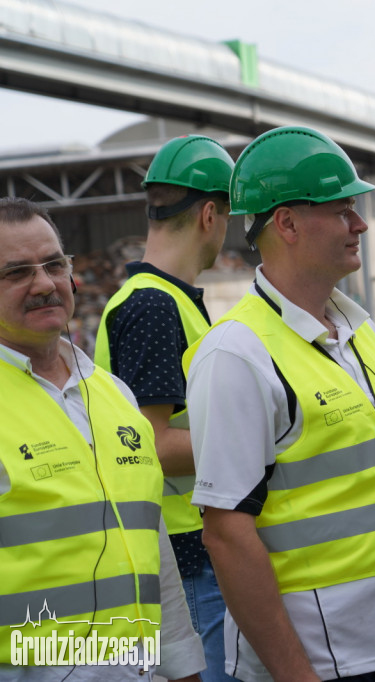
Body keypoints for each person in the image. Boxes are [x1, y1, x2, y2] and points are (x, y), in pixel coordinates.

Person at [184, 126, 375, 682]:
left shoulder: (358, 331)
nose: (360, 224)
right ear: (287, 223)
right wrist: (297, 675)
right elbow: (226, 534)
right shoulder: (237, 354)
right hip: (325, 662)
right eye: (343, 210)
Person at [0, 197, 204, 681]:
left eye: (54, 264)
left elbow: (153, 549)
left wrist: (183, 667)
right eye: (16, 272)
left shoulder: (114, 396)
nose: (45, 284)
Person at [94, 134, 235, 681]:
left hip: (194, 550)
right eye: (228, 216)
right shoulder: (154, 306)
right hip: (188, 558)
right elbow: (150, 445)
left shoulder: (166, 302)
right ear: (208, 214)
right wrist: (261, 441)